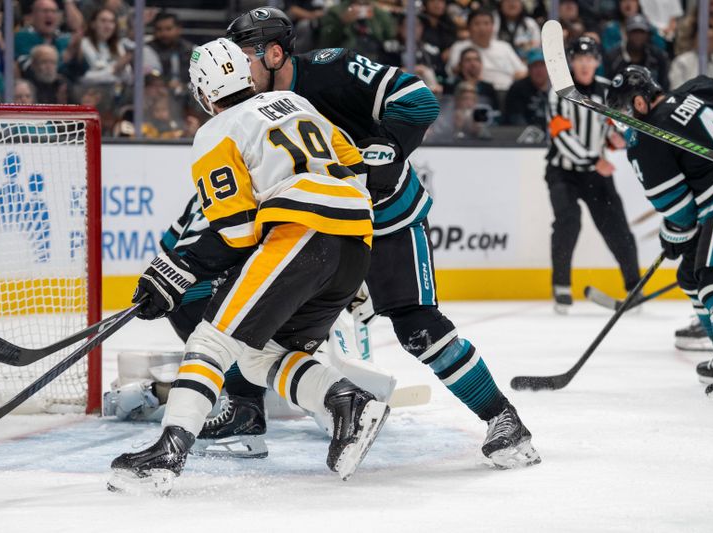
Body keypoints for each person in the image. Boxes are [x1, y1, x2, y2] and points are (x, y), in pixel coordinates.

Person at [220, 6, 540, 469]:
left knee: (418, 326)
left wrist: (383, 154)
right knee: (262, 324)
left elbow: (419, 99)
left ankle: (502, 418)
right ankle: (247, 412)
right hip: (320, 228)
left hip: (386, 219)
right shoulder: (246, 109)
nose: (236, 69)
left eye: (244, 56)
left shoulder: (332, 70)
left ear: (273, 54)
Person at [108, 38, 388, 492]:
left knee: (210, 338)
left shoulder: (215, 133)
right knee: (260, 356)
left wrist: (179, 268)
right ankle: (345, 401)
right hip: (356, 242)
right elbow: (354, 165)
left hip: (300, 236)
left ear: (203, 92)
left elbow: (236, 231)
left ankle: (168, 451)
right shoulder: (295, 102)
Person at [606, 66, 713, 396]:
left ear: (640, 104)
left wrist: (671, 237)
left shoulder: (646, 138)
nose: (619, 123)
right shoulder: (695, 89)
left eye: (621, 113)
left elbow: (681, 215)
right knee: (690, 275)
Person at [545, 37, 640, 313]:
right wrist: (592, 159)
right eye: (579, 59)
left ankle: (634, 286)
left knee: (617, 227)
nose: (584, 64)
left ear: (597, 62)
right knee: (568, 221)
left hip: (596, 173)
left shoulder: (607, 90)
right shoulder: (558, 91)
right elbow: (560, 135)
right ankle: (561, 286)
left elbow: (610, 128)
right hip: (562, 172)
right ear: (571, 63)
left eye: (589, 59)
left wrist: (616, 140)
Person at [446, 8, 527, 93]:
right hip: (477, 92)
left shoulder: (504, 46)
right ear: (469, 27)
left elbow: (522, 72)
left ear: (493, 27)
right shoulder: (459, 47)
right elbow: (454, 71)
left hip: (508, 92)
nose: (482, 28)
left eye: (486, 23)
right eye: (477, 24)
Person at [604, 14, 669, 90]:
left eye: (642, 32)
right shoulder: (613, 57)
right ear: (627, 33)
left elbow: (664, 86)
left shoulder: (658, 56)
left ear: (648, 35)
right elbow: (606, 85)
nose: (638, 36)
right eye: (634, 32)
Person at [78, 7, 131, 85]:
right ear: (93, 24)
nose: (108, 26)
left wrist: (122, 69)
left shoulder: (118, 45)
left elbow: (128, 76)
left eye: (111, 22)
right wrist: (114, 69)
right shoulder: (84, 44)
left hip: (116, 90)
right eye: (103, 21)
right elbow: (84, 77)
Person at [503, 47, 549, 131]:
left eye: (542, 65)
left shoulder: (556, 89)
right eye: (535, 66)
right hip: (525, 137)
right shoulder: (517, 89)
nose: (539, 70)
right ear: (528, 69)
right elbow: (515, 119)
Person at [669, 25, 713, 90]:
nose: (705, 43)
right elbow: (676, 89)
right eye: (702, 38)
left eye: (710, 39)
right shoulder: (681, 62)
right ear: (695, 39)